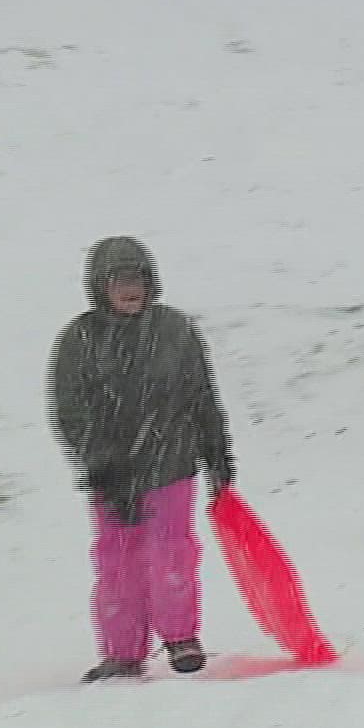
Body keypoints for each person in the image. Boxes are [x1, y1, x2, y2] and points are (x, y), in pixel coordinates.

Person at [47, 236, 235, 683]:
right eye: (119, 281)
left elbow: (201, 395)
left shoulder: (175, 330)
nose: (131, 289)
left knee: (173, 552)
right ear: (99, 286)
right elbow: (70, 411)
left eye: (138, 279)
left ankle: (181, 638)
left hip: (170, 463)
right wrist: (104, 465)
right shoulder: (79, 338)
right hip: (111, 474)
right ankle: (123, 652)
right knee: (118, 559)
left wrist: (217, 455)